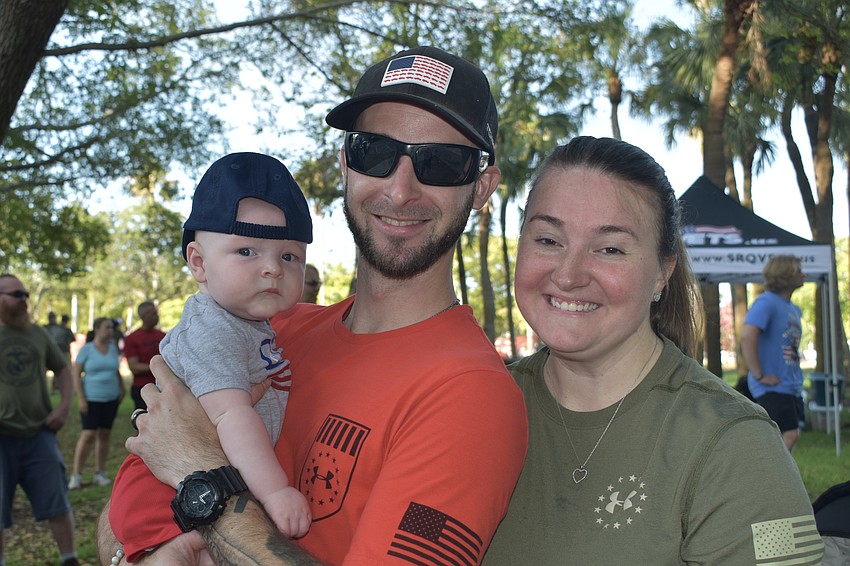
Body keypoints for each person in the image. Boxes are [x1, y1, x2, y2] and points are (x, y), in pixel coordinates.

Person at [99, 45, 528, 566]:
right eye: (376, 151)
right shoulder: (268, 329)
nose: (400, 188)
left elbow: (179, 456)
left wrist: (202, 478)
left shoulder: (470, 396)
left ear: (481, 187)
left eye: (440, 163)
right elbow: (120, 509)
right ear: (346, 162)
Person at [482, 137, 822, 564]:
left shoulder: (736, 446)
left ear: (663, 272)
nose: (568, 275)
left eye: (610, 249)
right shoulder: (473, 406)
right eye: (548, 240)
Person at [157, 151, 314, 539]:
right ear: (198, 263)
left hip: (210, 479)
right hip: (167, 498)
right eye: (246, 251)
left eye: (289, 255)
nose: (272, 268)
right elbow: (231, 417)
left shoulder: (250, 325)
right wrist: (275, 491)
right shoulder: (212, 329)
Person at [0, 275, 80, 566]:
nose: (24, 300)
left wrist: (64, 408)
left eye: (25, 294)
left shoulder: (37, 333)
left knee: (57, 500)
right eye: (16, 294)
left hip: (38, 434)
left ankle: (69, 559)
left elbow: (62, 370)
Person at [742, 254, 806, 451]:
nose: (804, 275)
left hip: (789, 386)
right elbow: (747, 336)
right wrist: (759, 374)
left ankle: (781, 481)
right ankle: (767, 480)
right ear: (785, 275)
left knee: (788, 436)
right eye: (798, 271)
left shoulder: (792, 308)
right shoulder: (766, 302)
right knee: (789, 435)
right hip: (772, 387)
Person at [68, 316, 126, 490]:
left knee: (105, 435)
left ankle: (99, 473)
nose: (111, 331)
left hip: (111, 398)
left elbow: (115, 370)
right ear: (97, 329)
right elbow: (76, 374)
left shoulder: (112, 348)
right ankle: (76, 475)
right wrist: (81, 398)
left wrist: (121, 387)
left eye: (111, 328)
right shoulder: (87, 349)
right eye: (107, 327)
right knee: (88, 435)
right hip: (92, 399)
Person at [122, 301, 166, 410]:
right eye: (153, 314)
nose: (157, 317)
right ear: (143, 316)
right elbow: (134, 367)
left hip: (163, 384)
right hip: (142, 387)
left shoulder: (164, 336)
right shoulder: (132, 338)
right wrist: (160, 367)